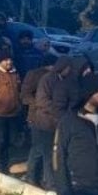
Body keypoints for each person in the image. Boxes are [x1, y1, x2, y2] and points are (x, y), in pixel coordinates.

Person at [33, 57, 73, 190]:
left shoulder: (66, 81)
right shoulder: (47, 79)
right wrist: (58, 109)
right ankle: (48, 182)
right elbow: (41, 101)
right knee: (47, 154)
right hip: (46, 122)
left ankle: (49, 179)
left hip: (58, 122)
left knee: (54, 153)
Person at [21, 54, 57, 187]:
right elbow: (25, 95)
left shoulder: (55, 77)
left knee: (40, 149)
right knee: (41, 149)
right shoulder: (36, 75)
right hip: (37, 116)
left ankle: (34, 176)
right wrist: (39, 103)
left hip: (47, 118)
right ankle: (40, 178)